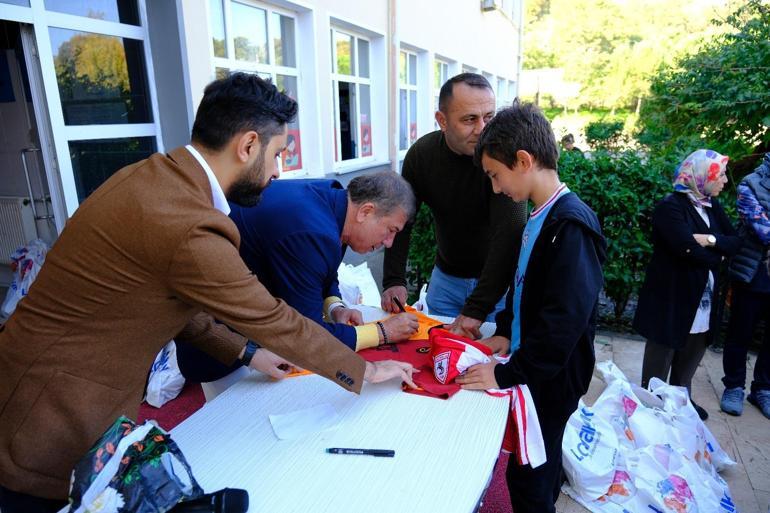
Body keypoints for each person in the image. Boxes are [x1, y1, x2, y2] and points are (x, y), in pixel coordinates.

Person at [0, 73, 414, 512]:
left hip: (44, 383)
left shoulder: (153, 177)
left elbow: (176, 305)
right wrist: (363, 370)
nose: (277, 174)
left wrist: (249, 354)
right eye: (277, 156)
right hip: (50, 411)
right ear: (248, 145)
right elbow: (273, 318)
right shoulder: (188, 221)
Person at [456, 102, 606, 513]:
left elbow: (563, 322)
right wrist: (504, 331)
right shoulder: (540, 216)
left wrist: (506, 373)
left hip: (549, 379)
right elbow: (523, 287)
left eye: (495, 175)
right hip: (533, 368)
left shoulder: (570, 225)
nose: (495, 187)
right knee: (534, 465)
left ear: (523, 161)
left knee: (530, 477)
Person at [176, 172, 421, 383]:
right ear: (366, 211)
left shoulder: (336, 201)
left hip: (255, 332)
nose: (389, 243)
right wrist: (381, 332)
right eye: (390, 231)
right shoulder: (312, 229)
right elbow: (308, 334)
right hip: (219, 340)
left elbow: (323, 268)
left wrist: (334, 306)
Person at [382, 73, 527, 339]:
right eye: (470, 119)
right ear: (442, 121)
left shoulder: (504, 157)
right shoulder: (422, 156)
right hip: (445, 281)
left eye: (489, 117)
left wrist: (478, 306)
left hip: (499, 287)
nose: (483, 128)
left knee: (490, 368)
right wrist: (393, 280)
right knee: (431, 353)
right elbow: (401, 219)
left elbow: (511, 233)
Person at [633, 149, 740, 421]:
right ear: (703, 176)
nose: (726, 181)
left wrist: (709, 240)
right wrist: (718, 252)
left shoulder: (710, 205)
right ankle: (653, 404)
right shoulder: (671, 207)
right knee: (663, 353)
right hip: (672, 298)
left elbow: (735, 241)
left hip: (702, 299)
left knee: (692, 351)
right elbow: (684, 248)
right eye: (722, 175)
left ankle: (681, 400)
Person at [720, 152, 770, 419]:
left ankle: (762, 389)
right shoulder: (751, 184)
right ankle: (734, 386)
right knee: (740, 333)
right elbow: (761, 228)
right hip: (752, 272)